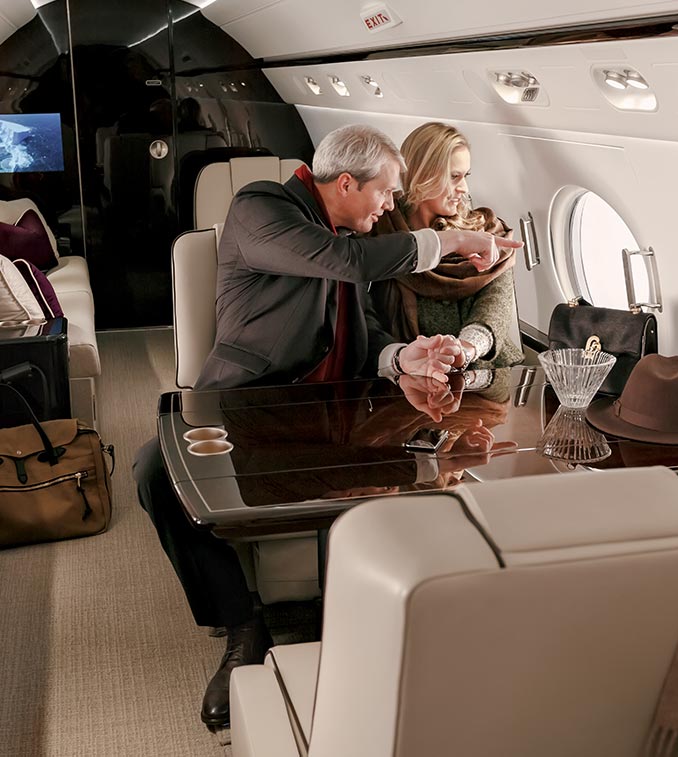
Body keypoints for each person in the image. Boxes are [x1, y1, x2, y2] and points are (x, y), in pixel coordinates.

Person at [133, 124, 522, 729]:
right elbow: (342, 262)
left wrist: (401, 358)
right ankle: (242, 625)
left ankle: (378, 620)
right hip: (248, 402)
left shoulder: (347, 235)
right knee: (154, 472)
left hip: (338, 407)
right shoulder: (261, 207)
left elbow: (363, 330)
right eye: (385, 194)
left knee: (434, 463)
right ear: (345, 182)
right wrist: (459, 239)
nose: (390, 206)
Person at [371, 121, 524, 369]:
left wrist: (468, 347)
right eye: (454, 177)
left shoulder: (485, 229)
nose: (463, 188)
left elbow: (495, 303)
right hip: (409, 368)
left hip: (485, 367)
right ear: (422, 174)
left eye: (466, 176)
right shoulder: (382, 230)